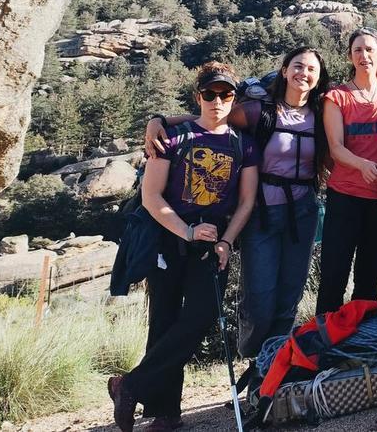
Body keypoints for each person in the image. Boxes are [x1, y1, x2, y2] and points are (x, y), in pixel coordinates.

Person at [144, 47, 331, 361]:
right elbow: (210, 117)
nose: (303, 73)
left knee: (290, 294)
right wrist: (159, 121)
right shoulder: (260, 111)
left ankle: (273, 366)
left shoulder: (322, 113)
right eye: (297, 66)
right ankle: (253, 358)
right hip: (262, 211)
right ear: (285, 70)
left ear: (318, 77)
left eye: (311, 69)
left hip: (303, 211)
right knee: (259, 297)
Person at [109, 62, 259, 432]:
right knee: (163, 322)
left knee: (201, 316)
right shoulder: (173, 138)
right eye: (210, 93)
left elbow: (246, 202)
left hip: (213, 245)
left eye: (225, 94)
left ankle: (129, 385)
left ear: (234, 98)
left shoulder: (243, 144)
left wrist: (226, 241)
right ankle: (165, 413)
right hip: (168, 240)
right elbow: (151, 196)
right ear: (198, 96)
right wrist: (186, 231)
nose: (217, 100)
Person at [317, 27, 377, 314]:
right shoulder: (337, 98)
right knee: (334, 272)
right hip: (345, 194)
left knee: (369, 274)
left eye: (370, 49)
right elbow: (336, 148)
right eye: (358, 50)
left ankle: (361, 338)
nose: (364, 55)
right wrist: (363, 165)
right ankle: (323, 342)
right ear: (349, 57)